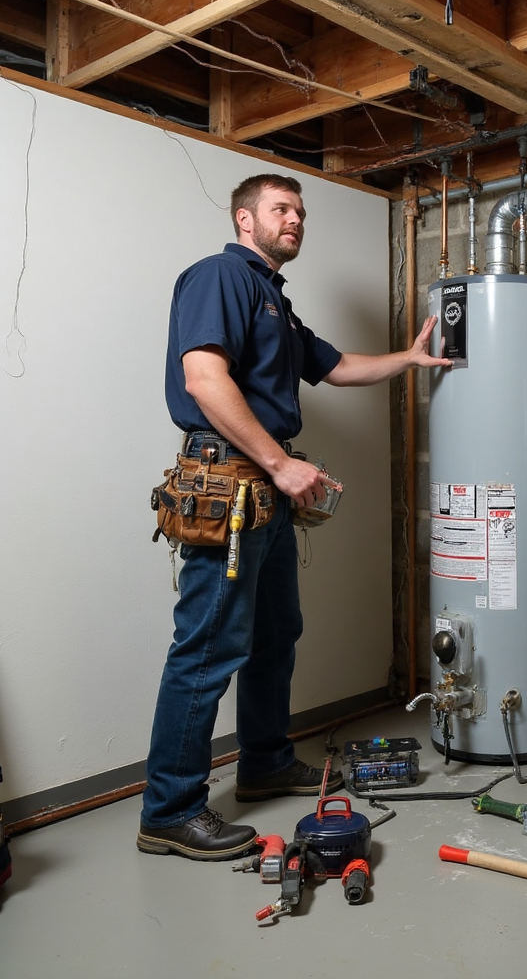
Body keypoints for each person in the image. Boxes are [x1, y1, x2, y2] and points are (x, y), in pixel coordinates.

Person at [138, 173, 450, 861]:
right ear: (244, 219)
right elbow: (203, 379)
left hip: (266, 493)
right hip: (234, 485)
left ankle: (265, 762)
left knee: (277, 633)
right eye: (282, 209)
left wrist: (408, 357)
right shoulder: (220, 276)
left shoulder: (271, 297)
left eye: (301, 211)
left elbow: (335, 367)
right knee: (208, 646)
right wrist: (279, 465)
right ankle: (168, 810)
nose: (297, 220)